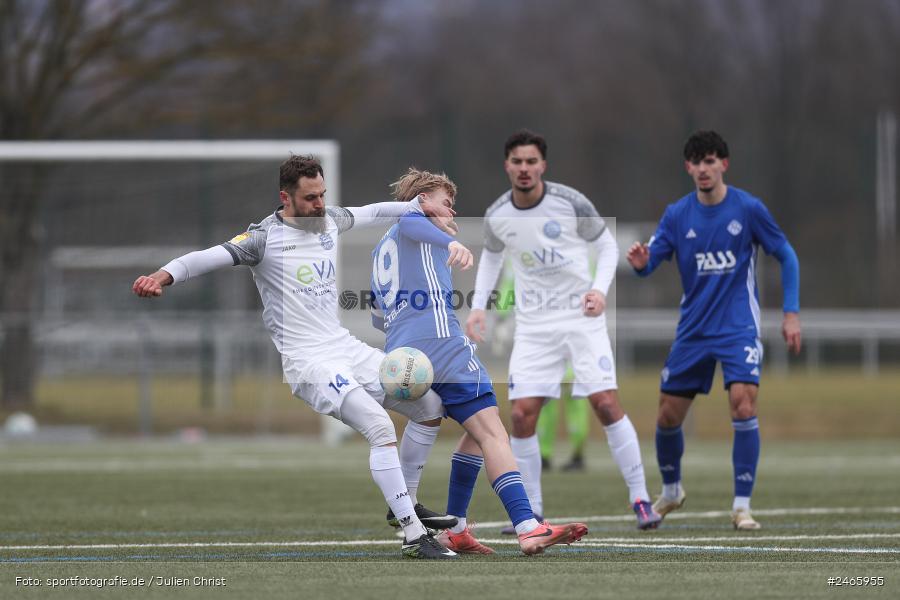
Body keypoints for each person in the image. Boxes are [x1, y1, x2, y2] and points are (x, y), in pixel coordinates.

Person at [132, 154, 459, 559]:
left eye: (322, 195)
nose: (320, 204)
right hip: (309, 364)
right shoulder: (262, 239)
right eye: (310, 198)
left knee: (429, 405)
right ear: (286, 197)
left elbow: (373, 210)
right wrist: (161, 277)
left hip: (343, 348)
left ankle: (403, 506)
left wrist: (417, 206)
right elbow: (204, 258)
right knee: (379, 427)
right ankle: (414, 536)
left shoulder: (329, 220)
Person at [371, 167, 589, 556]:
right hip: (442, 346)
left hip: (404, 355)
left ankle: (454, 527)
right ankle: (527, 525)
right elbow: (410, 217)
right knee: (493, 432)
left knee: (475, 430)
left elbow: (377, 315)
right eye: (447, 204)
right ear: (422, 201)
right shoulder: (413, 220)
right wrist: (448, 242)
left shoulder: (381, 249)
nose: (452, 213)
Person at [465, 129, 661, 532]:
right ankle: (532, 510)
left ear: (543, 165)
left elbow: (607, 248)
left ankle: (641, 499)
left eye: (531, 161)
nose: (524, 169)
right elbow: (490, 259)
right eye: (517, 162)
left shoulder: (570, 203)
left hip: (580, 321)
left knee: (605, 404)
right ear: (507, 165)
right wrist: (478, 308)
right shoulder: (498, 214)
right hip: (534, 327)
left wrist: (598, 290)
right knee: (521, 415)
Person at [626, 130, 802, 530]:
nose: (703, 169)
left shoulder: (748, 208)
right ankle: (671, 491)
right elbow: (650, 263)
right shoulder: (677, 214)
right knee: (668, 415)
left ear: (724, 164)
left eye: (711, 161)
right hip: (693, 330)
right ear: (688, 167)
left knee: (743, 403)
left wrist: (790, 313)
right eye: (696, 162)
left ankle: (741, 505)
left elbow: (786, 255)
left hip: (737, 327)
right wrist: (640, 263)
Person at [496, 265, 590, 472]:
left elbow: (510, 282)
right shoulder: (574, 249)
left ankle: (549, 454)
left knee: (553, 397)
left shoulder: (525, 248)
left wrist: (501, 318)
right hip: (564, 335)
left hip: (551, 336)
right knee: (561, 398)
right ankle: (564, 453)